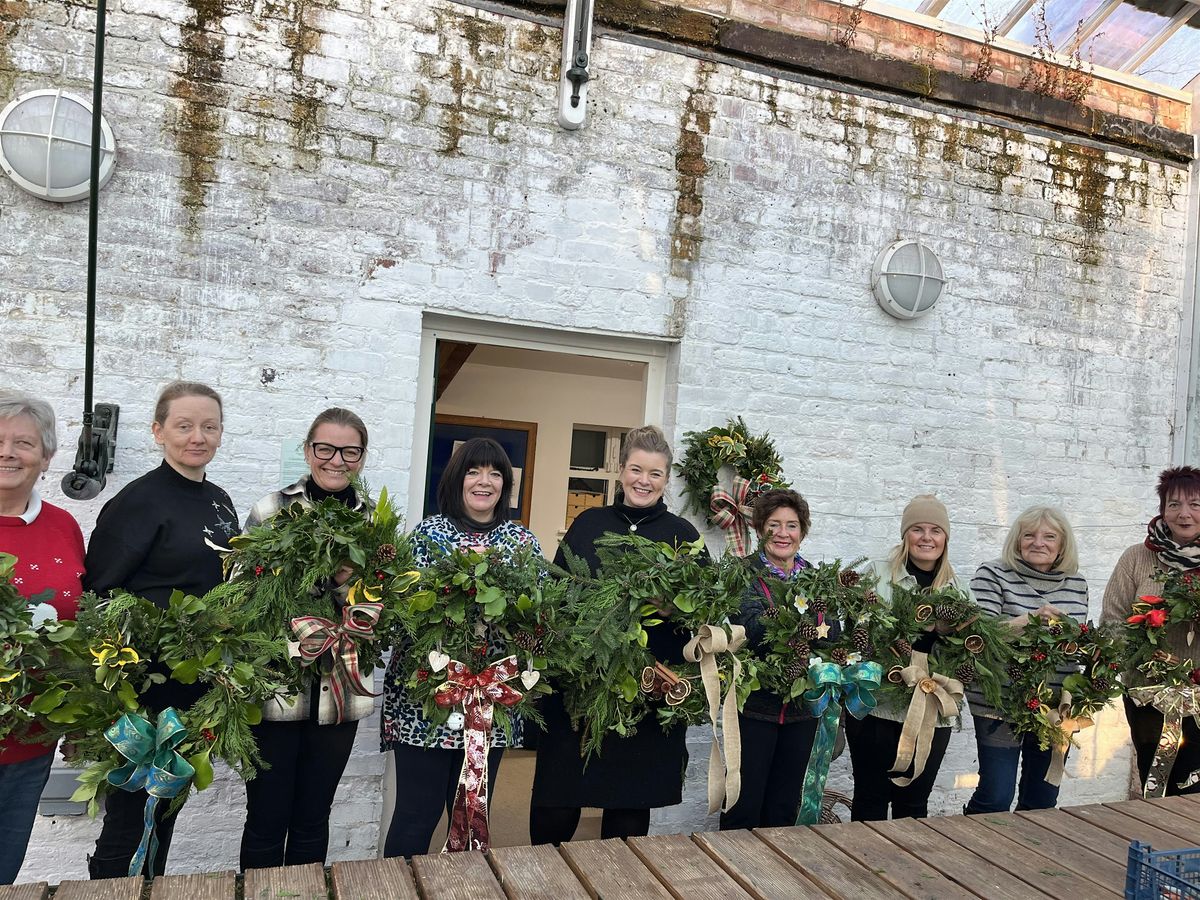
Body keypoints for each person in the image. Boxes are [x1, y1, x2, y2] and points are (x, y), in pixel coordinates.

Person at [84, 381, 238, 879]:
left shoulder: (218, 500)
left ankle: (149, 889)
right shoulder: (139, 501)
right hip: (144, 691)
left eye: (209, 426)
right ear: (158, 431)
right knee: (130, 814)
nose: (199, 436)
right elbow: (100, 593)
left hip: (195, 686)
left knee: (167, 807)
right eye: (184, 425)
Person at [529, 425, 701, 845]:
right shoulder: (588, 524)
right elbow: (557, 592)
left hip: (646, 689)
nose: (644, 480)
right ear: (621, 471)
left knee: (627, 808)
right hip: (579, 688)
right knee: (557, 800)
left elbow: (705, 612)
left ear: (667, 479)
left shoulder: (685, 538)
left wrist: (673, 607)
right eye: (636, 469)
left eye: (655, 473)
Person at [380, 437, 541, 858]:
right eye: (473, 471)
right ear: (457, 478)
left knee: (472, 812)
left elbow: (539, 621)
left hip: (492, 700)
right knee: (417, 813)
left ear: (505, 485)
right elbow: (403, 615)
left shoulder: (522, 543)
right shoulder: (428, 536)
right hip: (427, 697)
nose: (484, 481)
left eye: (494, 473)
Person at [239, 408, 374, 871]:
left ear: (361, 456)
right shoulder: (271, 510)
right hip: (277, 688)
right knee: (266, 816)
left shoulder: (375, 523)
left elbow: (384, 608)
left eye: (349, 451)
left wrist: (344, 587)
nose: (336, 460)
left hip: (339, 691)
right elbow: (242, 598)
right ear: (308, 451)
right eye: (325, 448)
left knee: (314, 816)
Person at [0, 392, 85, 885]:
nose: (9, 452)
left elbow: (78, 627)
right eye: (0, 441)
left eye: (24, 443)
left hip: (31, 740)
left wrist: (79, 715)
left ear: (47, 457)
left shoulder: (63, 525)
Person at [847, 494, 968, 821]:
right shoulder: (877, 574)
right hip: (878, 710)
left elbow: (970, 649)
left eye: (935, 530)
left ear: (945, 538)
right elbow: (856, 626)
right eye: (917, 529)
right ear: (905, 535)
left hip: (932, 713)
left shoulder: (958, 590)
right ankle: (862, 866)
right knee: (870, 799)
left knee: (913, 805)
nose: (926, 538)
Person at [965, 506, 1089, 813]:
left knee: (1043, 798)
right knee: (996, 794)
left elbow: (1077, 644)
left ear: (1062, 544)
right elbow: (978, 636)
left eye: (1049, 536)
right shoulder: (992, 574)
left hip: (1056, 705)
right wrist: (1028, 620)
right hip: (1001, 701)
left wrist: (1076, 636)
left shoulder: (1076, 583)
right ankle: (974, 852)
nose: (1039, 543)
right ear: (1017, 540)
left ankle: (1026, 857)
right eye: (1029, 535)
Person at [720, 488, 826, 830]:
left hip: (802, 712)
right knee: (742, 803)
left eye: (792, 525)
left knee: (783, 807)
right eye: (774, 524)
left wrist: (800, 630)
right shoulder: (743, 574)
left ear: (803, 531)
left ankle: (775, 881)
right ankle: (731, 878)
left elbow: (834, 630)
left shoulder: (818, 579)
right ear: (759, 528)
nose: (783, 533)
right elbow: (751, 627)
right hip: (754, 709)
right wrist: (805, 627)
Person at [1102, 466, 1200, 795]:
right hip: (1149, 693)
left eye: (1195, 504)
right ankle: (1159, 843)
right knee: (1156, 779)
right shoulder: (1136, 558)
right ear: (1162, 510)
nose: (1184, 514)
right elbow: (1113, 618)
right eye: (1174, 504)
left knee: (1195, 784)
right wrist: (1143, 661)